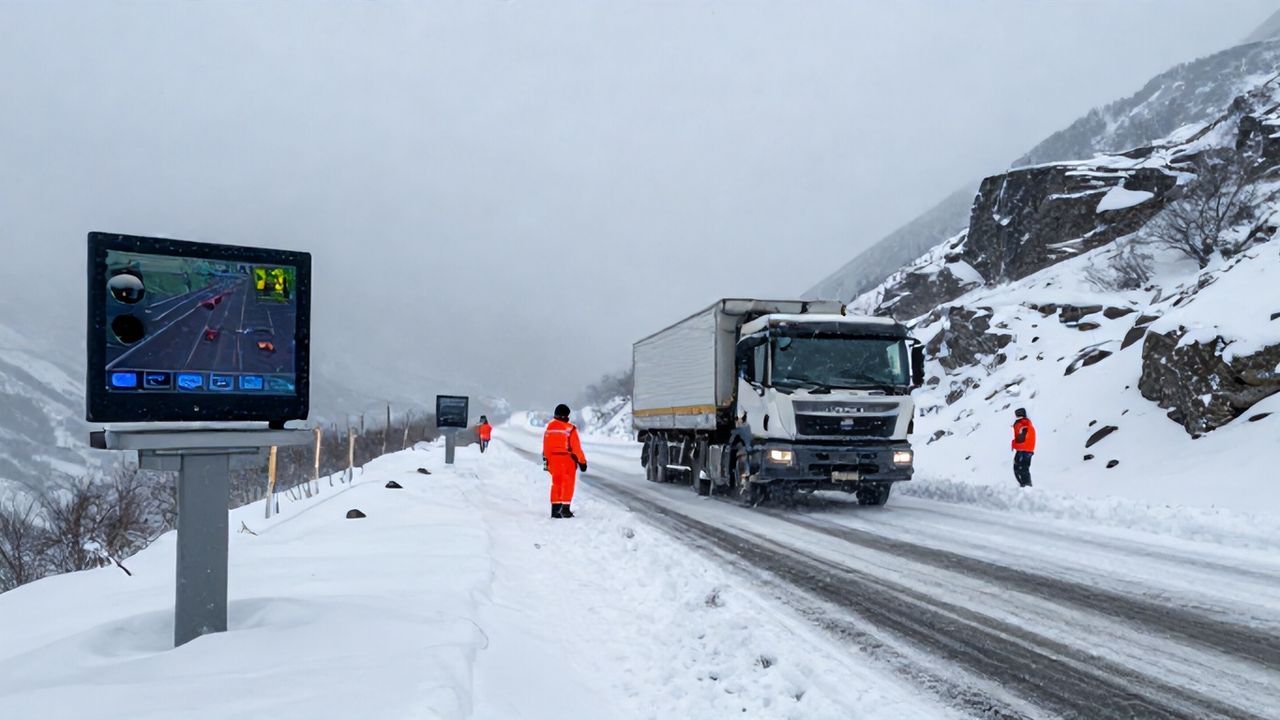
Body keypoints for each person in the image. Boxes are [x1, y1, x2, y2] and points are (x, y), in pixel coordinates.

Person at [542, 403, 587, 519]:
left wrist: (546, 462)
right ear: (566, 415)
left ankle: (555, 510)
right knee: (568, 484)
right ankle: (565, 509)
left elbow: (546, 447)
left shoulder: (549, 428)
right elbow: (576, 448)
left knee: (556, 484)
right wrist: (582, 462)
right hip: (567, 460)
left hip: (553, 460)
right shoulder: (570, 429)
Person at [1011, 408, 1036, 488]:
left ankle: (1025, 485)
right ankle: (1027, 485)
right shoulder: (1028, 423)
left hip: (1022, 449)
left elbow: (1021, 438)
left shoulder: (1020, 423)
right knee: (1024, 467)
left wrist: (1014, 444)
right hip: (1029, 449)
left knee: (1018, 468)